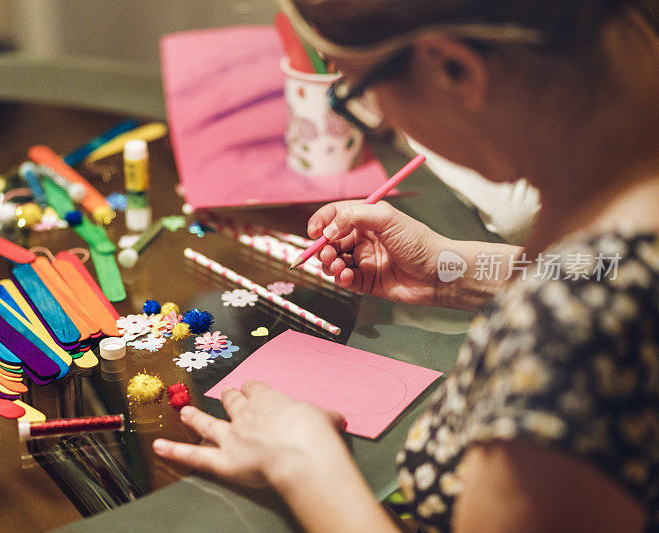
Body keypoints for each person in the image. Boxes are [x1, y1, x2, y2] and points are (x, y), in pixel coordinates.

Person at [153, 0, 659, 530]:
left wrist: (303, 462)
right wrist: (450, 268)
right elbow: (598, 271)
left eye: (355, 94)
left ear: (454, 70)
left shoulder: (567, 341)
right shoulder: (627, 174)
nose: (378, 119)